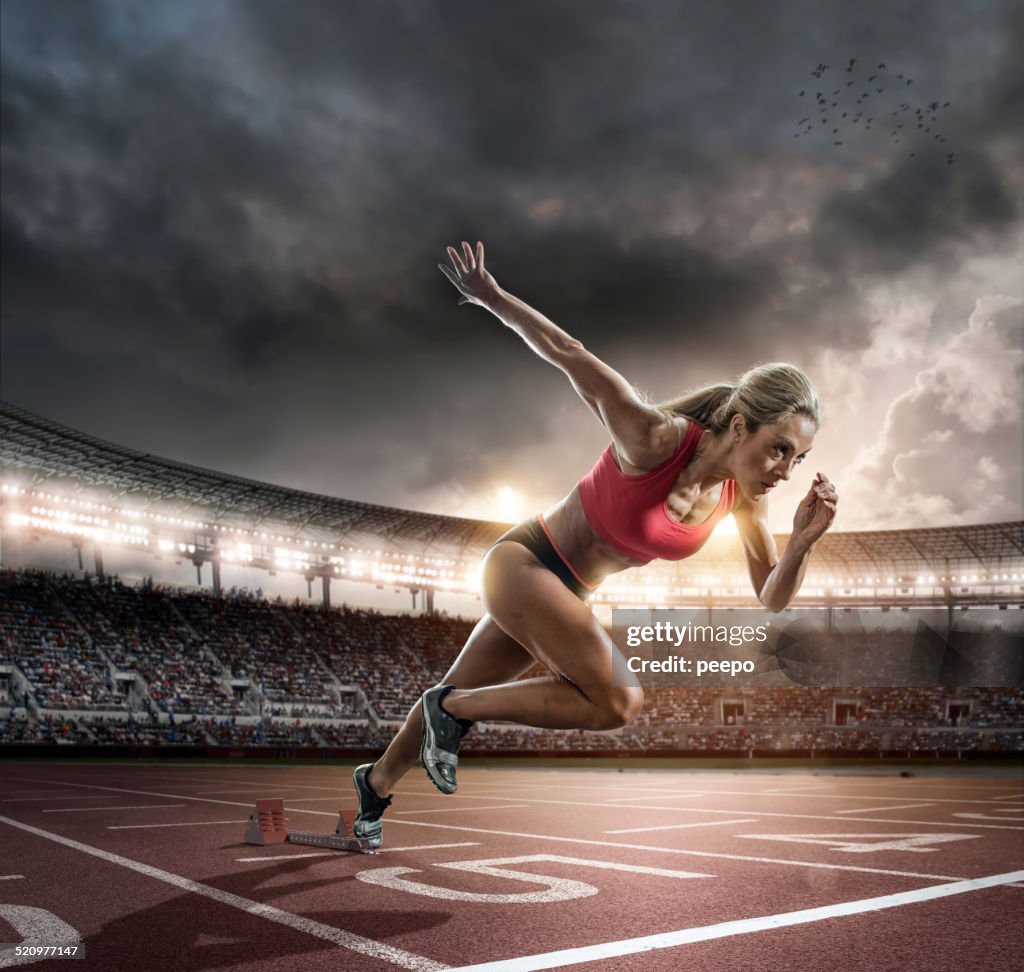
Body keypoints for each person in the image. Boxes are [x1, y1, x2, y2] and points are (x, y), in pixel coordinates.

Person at [352, 241, 838, 846]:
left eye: (800, 458)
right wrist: (492, 296)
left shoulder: (745, 500)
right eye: (780, 449)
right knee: (616, 702)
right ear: (740, 426)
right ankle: (449, 710)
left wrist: (804, 543)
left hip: (566, 592)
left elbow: (771, 596)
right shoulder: (655, 439)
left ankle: (373, 789)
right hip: (526, 564)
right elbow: (567, 353)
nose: (785, 470)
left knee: (462, 690)